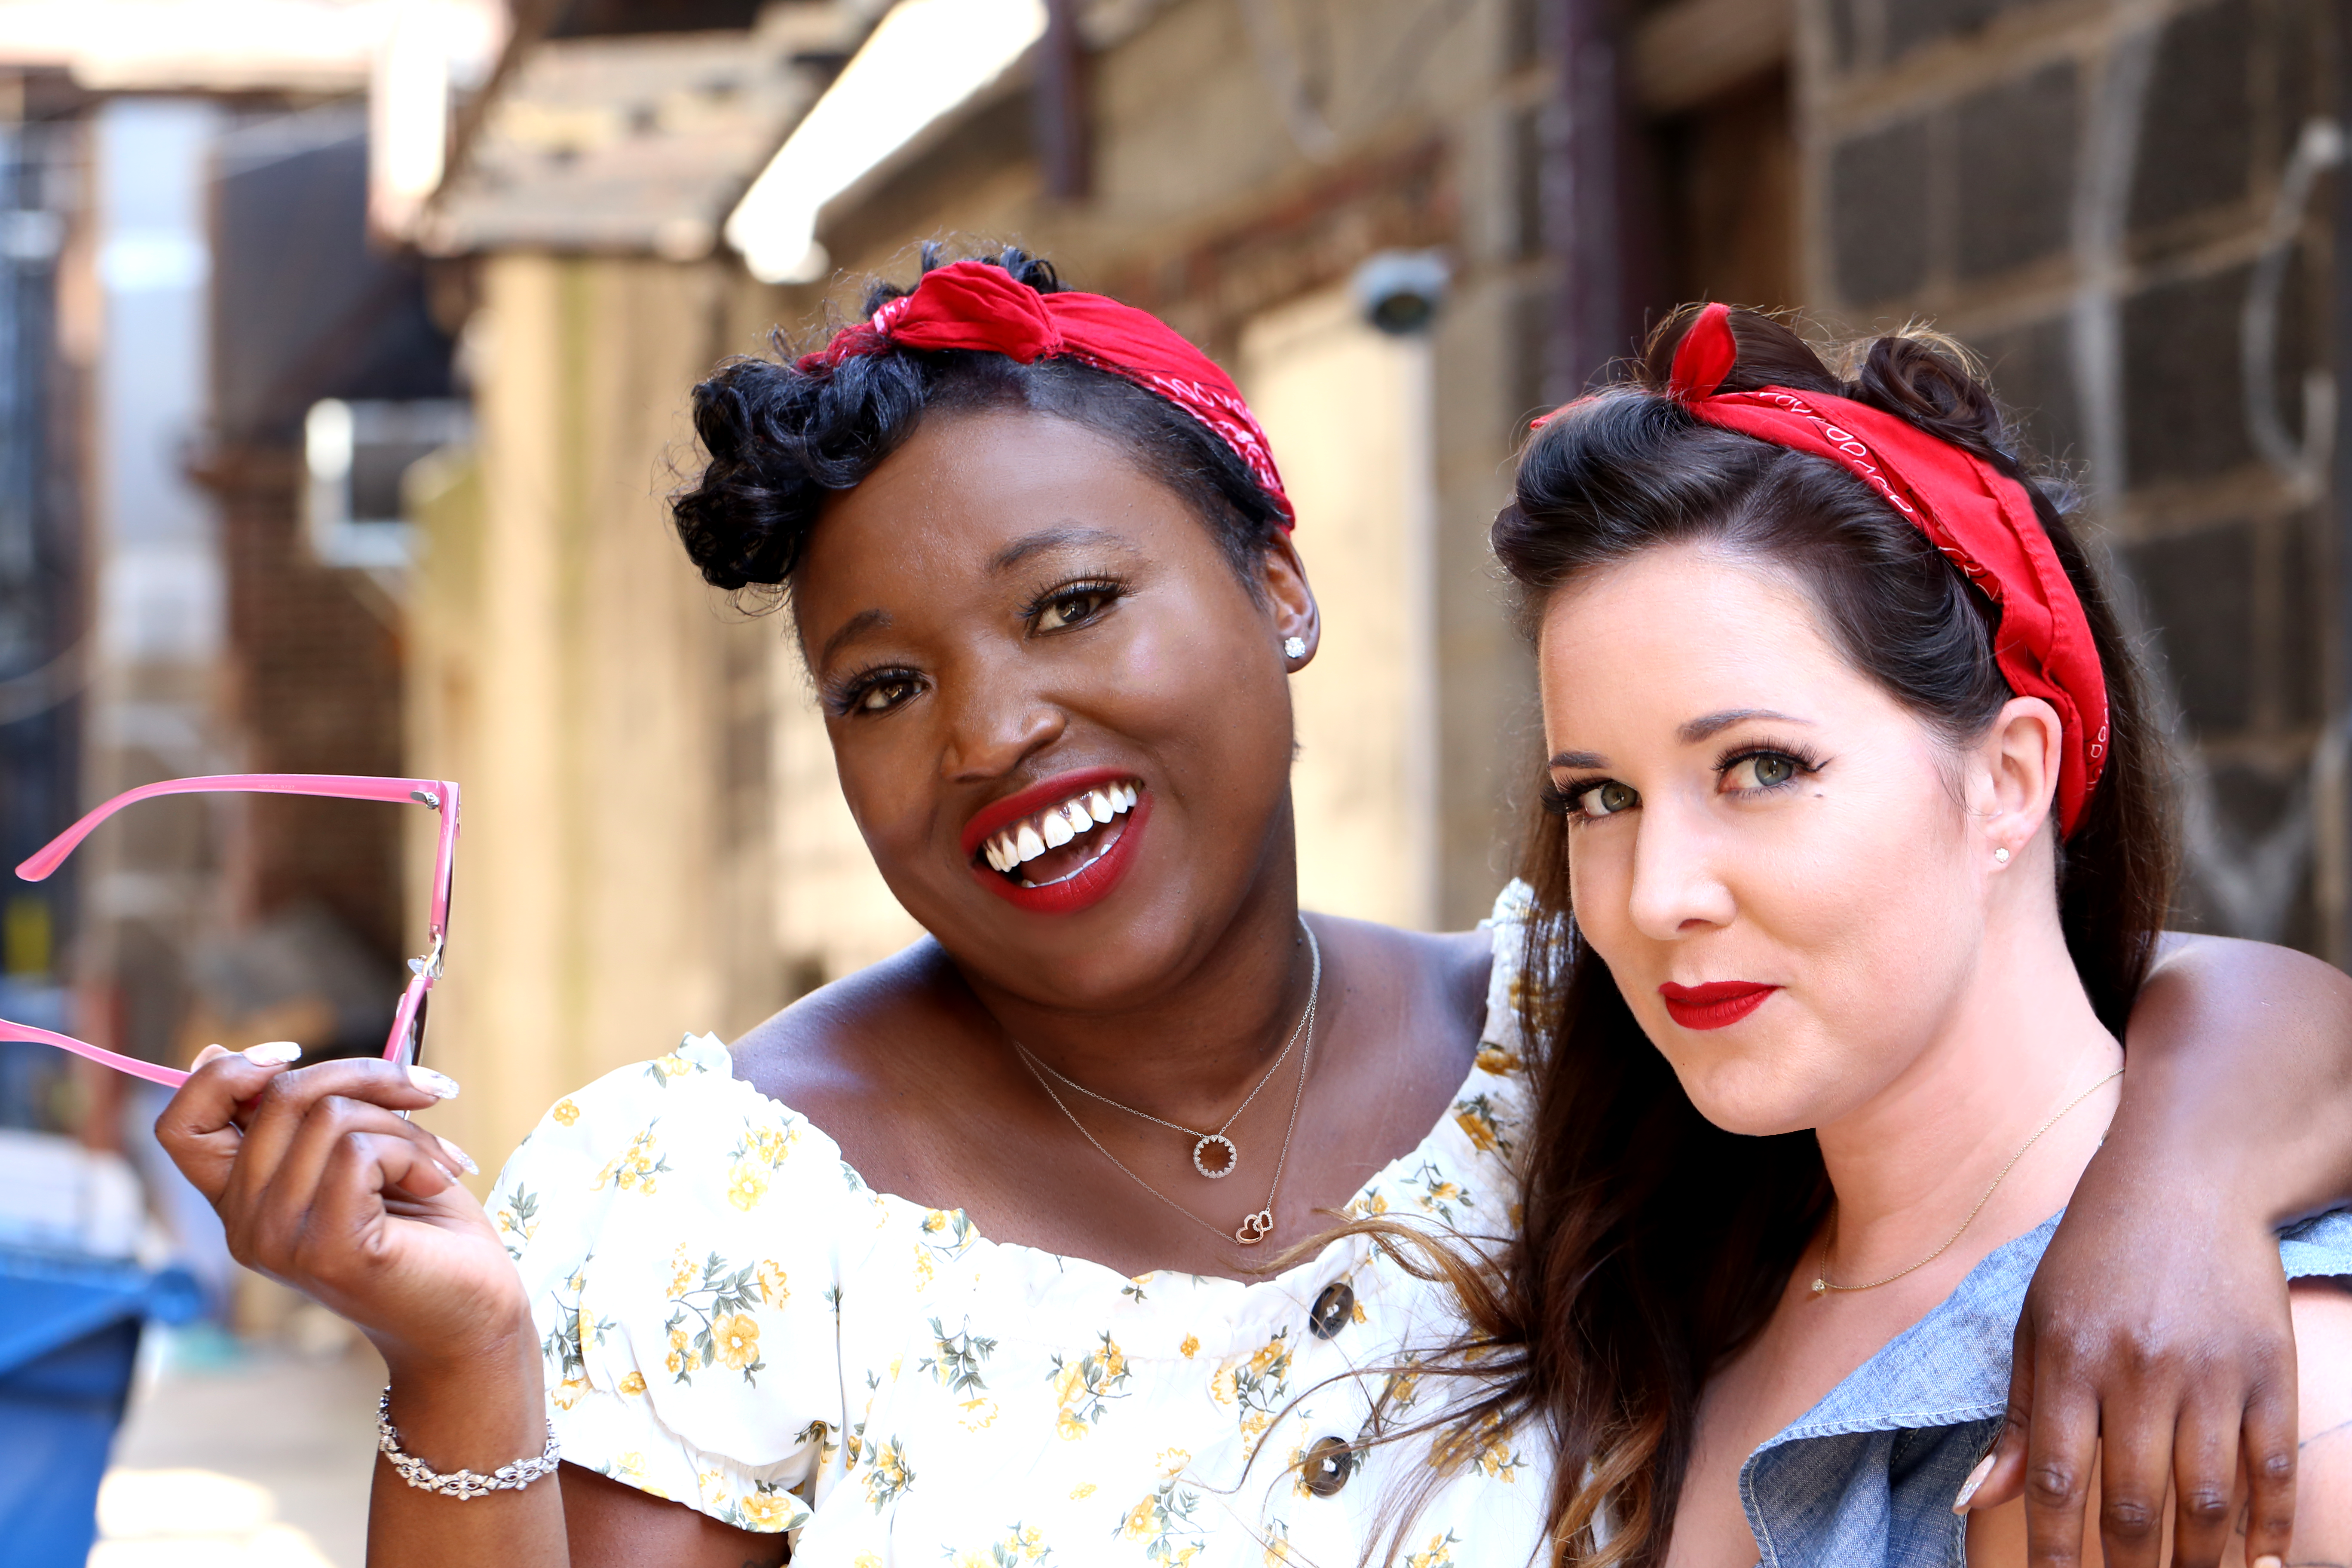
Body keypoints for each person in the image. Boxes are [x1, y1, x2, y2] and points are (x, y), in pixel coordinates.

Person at [154, 253, 2352, 1568]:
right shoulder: (715, 1201)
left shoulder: (1586, 1053)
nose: (997, 728)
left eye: (1078, 602)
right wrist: (458, 1346)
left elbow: (2151, 1000)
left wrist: (2169, 1197)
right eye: (884, 686)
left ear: (1280, 595)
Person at [1435, 301, 2352, 1566]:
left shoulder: (2270, 1405)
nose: (1657, 897)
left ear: (2010, 780)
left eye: (1761, 767)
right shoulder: (1672, 1271)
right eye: (1602, 797)